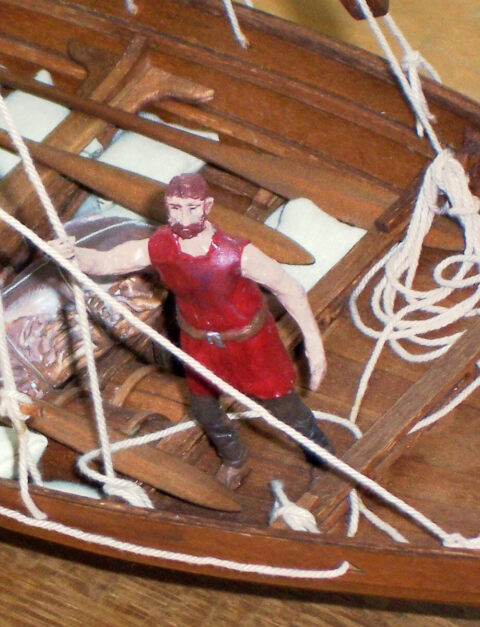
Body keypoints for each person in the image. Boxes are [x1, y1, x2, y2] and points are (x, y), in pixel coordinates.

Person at [51, 173, 331, 489]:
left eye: (191, 208)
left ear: (207, 206)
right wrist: (75, 256)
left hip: (251, 343)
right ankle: (235, 458)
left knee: (284, 405)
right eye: (175, 208)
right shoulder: (159, 246)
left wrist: (313, 342)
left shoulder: (237, 253)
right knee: (204, 409)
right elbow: (109, 261)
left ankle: (320, 451)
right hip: (199, 344)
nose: (183, 218)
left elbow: (289, 288)